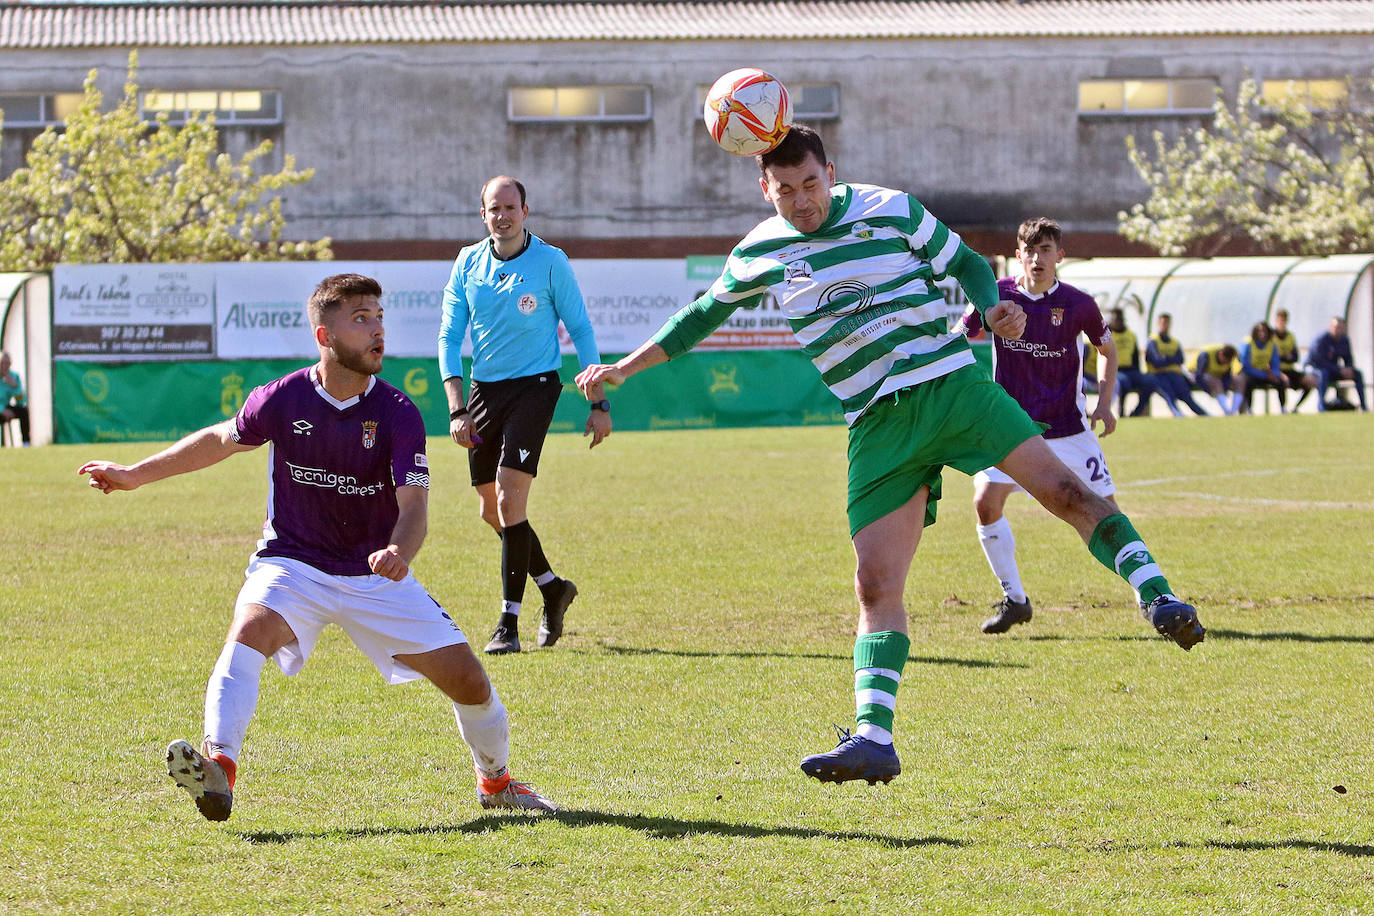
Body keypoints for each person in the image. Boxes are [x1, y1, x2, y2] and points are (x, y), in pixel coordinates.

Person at [574, 126, 1204, 787]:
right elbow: (699, 318)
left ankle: (1158, 595)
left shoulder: (888, 207)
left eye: (811, 185)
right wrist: (624, 368)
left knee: (1065, 494)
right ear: (764, 188)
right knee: (875, 584)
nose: (801, 201)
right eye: (785, 190)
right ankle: (874, 738)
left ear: (831, 172)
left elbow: (963, 261)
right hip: (876, 425)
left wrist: (992, 306)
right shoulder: (760, 250)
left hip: (951, 389)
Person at [79, 273, 556, 821]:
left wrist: (399, 552)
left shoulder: (399, 413)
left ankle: (497, 786)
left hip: (377, 575)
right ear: (323, 336)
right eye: (361, 319)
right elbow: (218, 440)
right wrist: (134, 475)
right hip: (293, 563)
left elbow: (415, 507)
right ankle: (218, 768)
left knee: (471, 681)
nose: (377, 330)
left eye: (379, 316)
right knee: (249, 631)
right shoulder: (283, 397)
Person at [438, 176, 611, 656]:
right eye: (494, 209)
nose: (503, 216)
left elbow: (580, 329)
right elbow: (449, 338)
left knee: (512, 503)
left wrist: (598, 403)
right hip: (482, 392)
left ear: (525, 211)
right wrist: (457, 408)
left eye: (510, 207)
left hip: (536, 387)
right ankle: (553, 587)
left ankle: (507, 625)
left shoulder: (551, 262)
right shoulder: (467, 263)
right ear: (483, 214)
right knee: (490, 510)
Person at [961, 218, 1120, 635]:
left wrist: (1104, 403)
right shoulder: (995, 296)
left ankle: (1152, 594)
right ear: (1018, 256)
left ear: (1059, 256)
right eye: (1029, 251)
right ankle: (1015, 600)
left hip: (1068, 428)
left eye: (1045, 250)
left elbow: (1108, 349)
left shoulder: (1078, 303)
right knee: (985, 502)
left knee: (1106, 513)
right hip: (1010, 428)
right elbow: (958, 338)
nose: (1037, 258)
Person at [1145, 313, 1209, 417]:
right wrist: (1171, 359)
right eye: (1163, 322)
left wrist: (1164, 358)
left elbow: (1180, 359)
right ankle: (1178, 415)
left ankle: (1205, 415)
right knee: (1169, 395)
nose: (1165, 325)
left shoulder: (1175, 342)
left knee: (1187, 397)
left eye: (1167, 323)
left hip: (1175, 375)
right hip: (1158, 375)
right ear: (1158, 324)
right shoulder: (1153, 341)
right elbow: (1156, 361)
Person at [1306, 316, 1368, 412]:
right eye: (1336, 327)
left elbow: (1348, 358)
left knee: (1357, 374)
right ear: (1331, 327)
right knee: (1324, 373)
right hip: (1314, 369)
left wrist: (1348, 368)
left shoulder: (1344, 340)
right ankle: (1321, 406)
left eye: (1341, 328)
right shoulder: (1321, 340)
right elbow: (1319, 362)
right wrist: (1339, 369)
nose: (1338, 330)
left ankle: (1363, 406)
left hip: (1333, 370)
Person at [1106, 307, 1158, 417]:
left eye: (1120, 319)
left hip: (1130, 370)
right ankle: (1121, 411)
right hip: (1114, 371)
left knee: (1151, 381)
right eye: (1115, 319)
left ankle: (1137, 412)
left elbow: (1135, 356)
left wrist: (1138, 373)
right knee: (1124, 383)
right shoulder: (1105, 335)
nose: (1118, 322)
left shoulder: (1131, 335)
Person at [1270, 308, 1315, 411]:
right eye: (1280, 320)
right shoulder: (1271, 336)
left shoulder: (1290, 336)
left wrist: (1283, 357)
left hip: (1290, 369)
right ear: (1276, 321)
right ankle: (1283, 408)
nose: (1282, 323)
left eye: (1284, 320)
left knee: (1309, 381)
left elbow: (1295, 357)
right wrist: (1286, 357)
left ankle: (1296, 407)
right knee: (1282, 380)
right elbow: (1272, 357)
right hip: (1276, 370)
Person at [1237, 322, 1286, 414]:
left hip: (1265, 373)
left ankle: (1283, 408)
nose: (1262, 333)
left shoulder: (1272, 345)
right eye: (1259, 331)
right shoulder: (1248, 344)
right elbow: (1245, 366)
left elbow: (1275, 364)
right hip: (1250, 373)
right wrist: (1264, 375)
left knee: (1280, 381)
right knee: (1248, 382)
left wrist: (1275, 374)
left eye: (1264, 331)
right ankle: (1249, 409)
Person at [1193, 343, 1241, 415]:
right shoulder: (1205, 354)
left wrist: (1226, 387)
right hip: (1194, 374)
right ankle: (1227, 411)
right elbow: (1198, 376)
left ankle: (1235, 411)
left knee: (1239, 381)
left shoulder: (1229, 359)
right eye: (1225, 360)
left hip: (1216, 377)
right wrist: (1208, 391)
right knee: (1216, 381)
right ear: (1220, 354)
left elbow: (1227, 375)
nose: (1226, 363)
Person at [0, 351, 30, 446]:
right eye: (2, 363)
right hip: (1, 408)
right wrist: (2, 410)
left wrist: (15, 387)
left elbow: (21, 401)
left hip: (6, 407)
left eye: (7, 363)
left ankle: (26, 443)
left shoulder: (14, 377)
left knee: (23, 411)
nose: (5, 366)